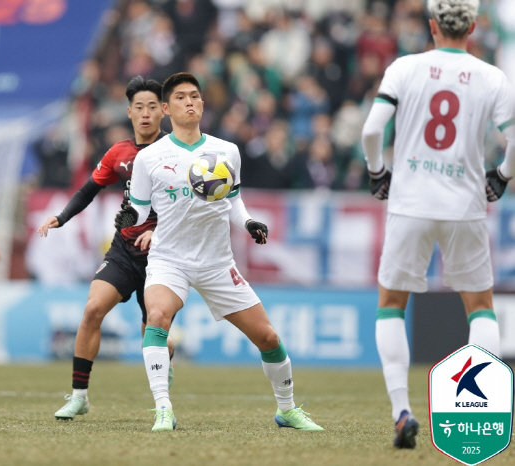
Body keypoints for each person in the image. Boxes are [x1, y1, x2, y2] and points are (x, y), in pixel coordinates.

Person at [115, 72, 324, 433]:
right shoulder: (150, 158)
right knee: (158, 317)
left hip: (216, 263)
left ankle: (287, 410)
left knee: (269, 338)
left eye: (195, 96)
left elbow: (233, 199)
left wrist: (248, 222)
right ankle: (163, 408)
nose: (191, 102)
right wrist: (128, 217)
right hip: (170, 260)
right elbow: (139, 207)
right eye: (181, 97)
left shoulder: (226, 150)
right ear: (166, 108)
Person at [361, 0, 515, 449]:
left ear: (431, 25)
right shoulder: (491, 76)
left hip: (410, 201)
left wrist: (377, 171)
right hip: (465, 204)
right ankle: (475, 410)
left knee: (390, 304)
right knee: (480, 307)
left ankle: (401, 412)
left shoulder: (406, 68)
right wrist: (502, 175)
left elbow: (373, 129)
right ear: (472, 26)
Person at [37, 76, 175, 420]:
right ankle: (79, 396)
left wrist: (161, 232)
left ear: (164, 111)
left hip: (164, 256)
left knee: (154, 333)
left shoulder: (175, 153)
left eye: (152, 107)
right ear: (129, 112)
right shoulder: (119, 153)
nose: (145, 113)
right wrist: (62, 217)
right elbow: (88, 190)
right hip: (124, 251)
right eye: (139, 107)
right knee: (93, 310)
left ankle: (163, 387)